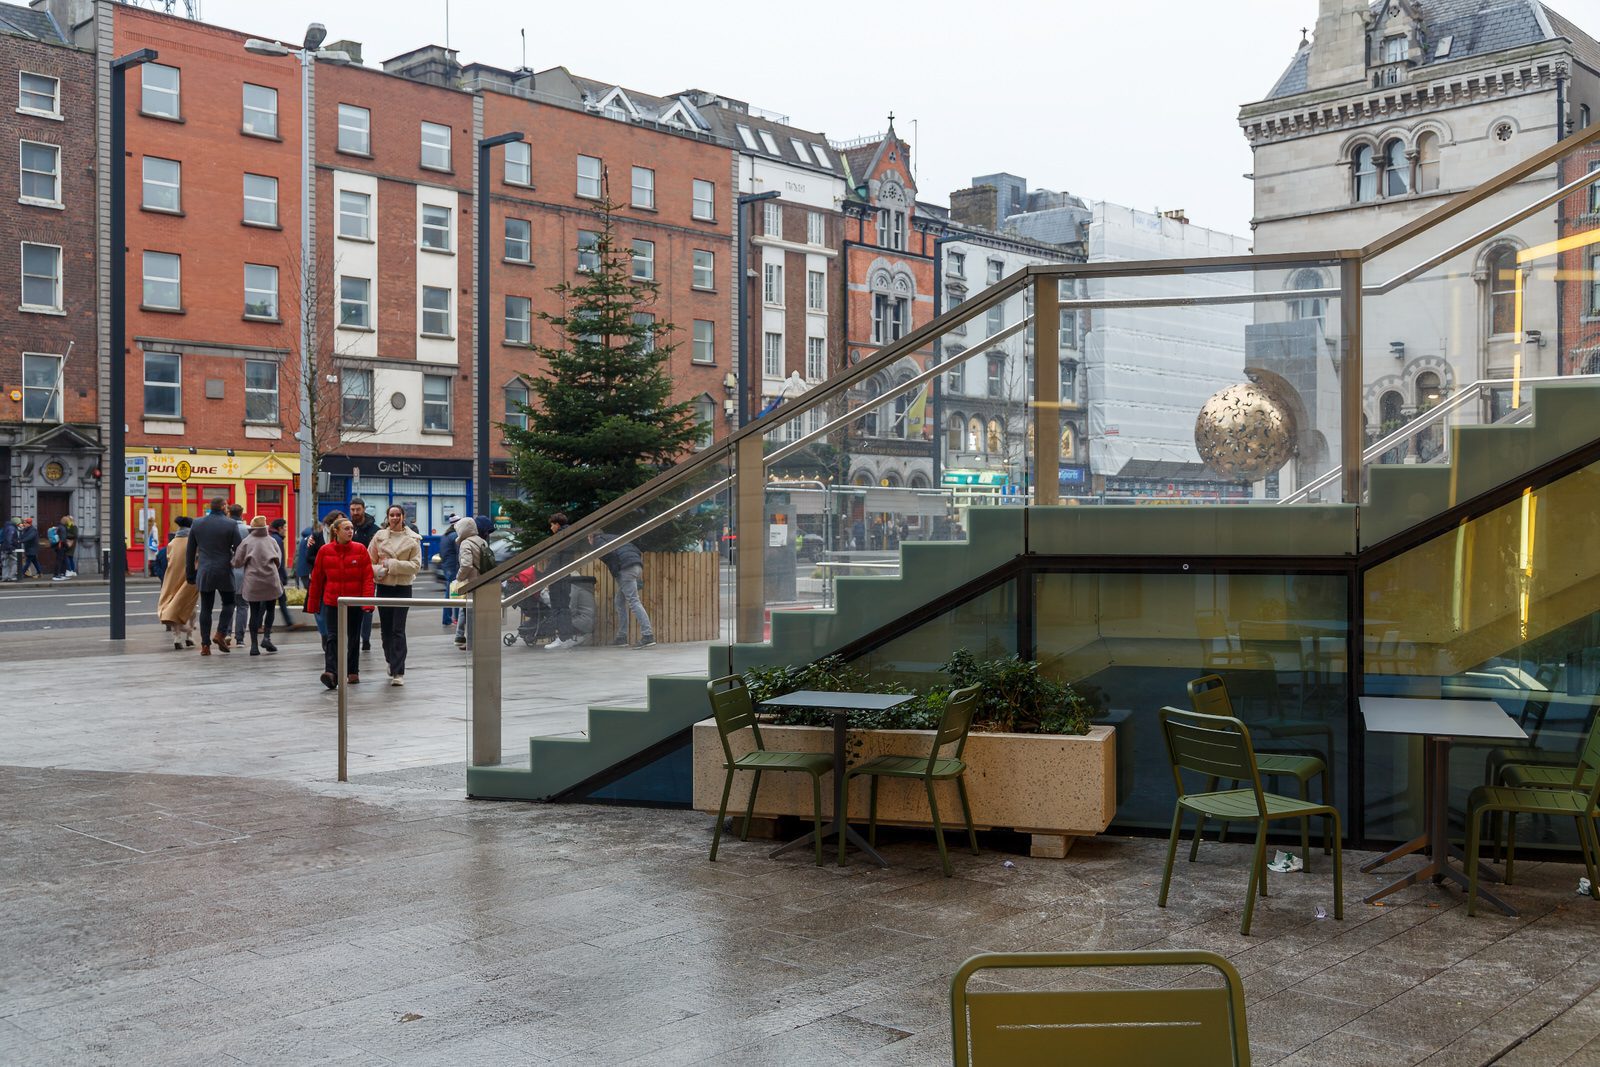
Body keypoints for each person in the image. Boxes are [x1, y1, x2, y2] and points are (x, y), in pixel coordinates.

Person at [305, 515, 374, 689]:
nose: (350, 531)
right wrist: (312, 604)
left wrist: (367, 602)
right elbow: (318, 579)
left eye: (352, 528)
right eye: (346, 528)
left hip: (354, 602)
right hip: (333, 602)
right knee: (332, 637)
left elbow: (367, 578)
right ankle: (331, 672)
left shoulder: (360, 549)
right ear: (336, 531)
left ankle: (353, 671)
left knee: (353, 638)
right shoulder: (325, 551)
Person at [369, 504, 422, 685]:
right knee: (386, 629)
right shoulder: (379, 537)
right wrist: (379, 570)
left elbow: (415, 566)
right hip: (384, 586)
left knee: (398, 629)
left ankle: (399, 671)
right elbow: (370, 562)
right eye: (391, 515)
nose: (394, 517)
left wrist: (391, 564)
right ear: (387, 517)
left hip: (403, 587)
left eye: (398, 514)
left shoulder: (413, 539)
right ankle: (391, 661)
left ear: (403, 516)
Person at [186, 497, 242, 655]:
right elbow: (239, 548)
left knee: (206, 608)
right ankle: (220, 633)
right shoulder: (231, 524)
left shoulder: (197, 523)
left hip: (205, 571)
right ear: (224, 507)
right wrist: (234, 562)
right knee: (229, 603)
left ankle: (205, 645)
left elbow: (190, 552)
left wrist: (190, 574)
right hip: (224, 569)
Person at [591, 531, 654, 649]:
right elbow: (635, 549)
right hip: (636, 565)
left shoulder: (598, 540)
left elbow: (610, 555)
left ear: (591, 537)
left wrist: (616, 572)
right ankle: (622, 637)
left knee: (634, 601)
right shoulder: (614, 536)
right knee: (619, 601)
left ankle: (648, 635)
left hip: (625, 569)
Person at [232, 516, 285, 656]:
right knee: (270, 609)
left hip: (253, 581)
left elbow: (237, 562)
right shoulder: (272, 541)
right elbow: (278, 560)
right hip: (271, 580)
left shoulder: (246, 542)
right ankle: (267, 637)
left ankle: (254, 645)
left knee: (254, 612)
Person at [156, 517, 197, 650]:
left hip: (172, 579)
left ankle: (177, 636)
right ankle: (189, 635)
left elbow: (169, 561)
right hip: (189, 578)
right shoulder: (194, 542)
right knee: (190, 606)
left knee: (174, 605)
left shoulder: (172, 543)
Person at [450, 515, 491, 650]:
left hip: (472, 583)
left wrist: (459, 577)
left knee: (469, 613)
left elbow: (466, 565)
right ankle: (479, 639)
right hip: (483, 581)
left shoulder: (466, 543)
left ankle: (471, 643)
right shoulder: (481, 541)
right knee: (476, 614)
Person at [542, 512, 581, 650]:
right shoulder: (569, 535)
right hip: (564, 577)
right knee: (563, 607)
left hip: (559, 578)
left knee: (559, 608)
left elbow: (556, 560)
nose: (551, 528)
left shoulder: (562, 537)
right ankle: (567, 637)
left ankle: (564, 638)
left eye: (552, 525)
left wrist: (545, 576)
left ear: (557, 524)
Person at [347, 499, 379, 652]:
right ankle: (352, 636)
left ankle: (365, 638)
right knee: (351, 608)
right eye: (352, 510)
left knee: (366, 608)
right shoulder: (347, 527)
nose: (355, 513)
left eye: (357, 509)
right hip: (349, 575)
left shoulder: (374, 530)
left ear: (364, 509)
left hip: (367, 575)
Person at [267, 519, 294, 629]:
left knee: (281, 600)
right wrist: (283, 576)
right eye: (285, 527)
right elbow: (279, 561)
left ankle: (289, 623)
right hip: (276, 576)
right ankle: (260, 626)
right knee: (269, 602)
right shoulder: (277, 540)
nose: (286, 530)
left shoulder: (273, 537)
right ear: (279, 528)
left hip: (273, 575)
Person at [438, 513, 460, 627]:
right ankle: (456, 618)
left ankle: (446, 619)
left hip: (447, 567)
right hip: (454, 567)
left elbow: (441, 553)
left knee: (449, 593)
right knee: (455, 593)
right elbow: (459, 553)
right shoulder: (455, 536)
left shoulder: (445, 535)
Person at [49, 516, 70, 581]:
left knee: (62, 560)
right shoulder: (63, 528)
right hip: (61, 546)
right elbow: (63, 538)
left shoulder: (59, 527)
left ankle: (61, 574)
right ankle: (57, 574)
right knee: (60, 560)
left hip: (59, 546)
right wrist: (67, 545)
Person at [0, 517, 19, 582]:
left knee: (5, 563)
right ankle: (11, 577)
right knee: (14, 562)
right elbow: (9, 538)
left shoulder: (5, 527)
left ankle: (4, 577)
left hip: (3, 548)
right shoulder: (12, 528)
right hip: (10, 548)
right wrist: (10, 548)